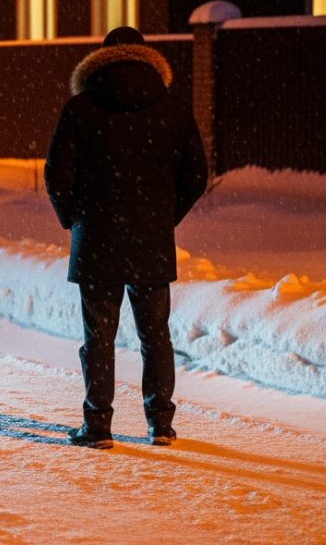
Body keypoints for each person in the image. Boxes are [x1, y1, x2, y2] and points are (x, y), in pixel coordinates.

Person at [44, 26, 208, 449]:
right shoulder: (172, 109)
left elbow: (57, 176)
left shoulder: (80, 109)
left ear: (100, 63)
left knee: (98, 336)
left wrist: (75, 219)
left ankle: (97, 425)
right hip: (151, 239)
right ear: (144, 59)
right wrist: (163, 218)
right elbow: (195, 176)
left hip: (96, 239)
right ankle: (161, 424)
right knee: (155, 334)